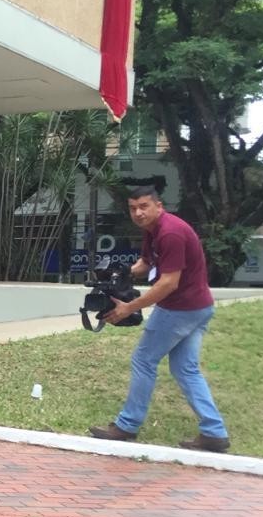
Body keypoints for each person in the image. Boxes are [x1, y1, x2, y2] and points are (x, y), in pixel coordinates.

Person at [90, 186, 229, 452]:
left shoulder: (171, 233)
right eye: (133, 208)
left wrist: (129, 307)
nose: (138, 213)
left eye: (144, 206)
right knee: (185, 369)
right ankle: (214, 432)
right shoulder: (154, 231)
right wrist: (118, 275)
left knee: (143, 360)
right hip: (199, 307)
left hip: (180, 309)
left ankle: (127, 425)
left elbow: (168, 284)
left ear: (158, 206)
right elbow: (146, 264)